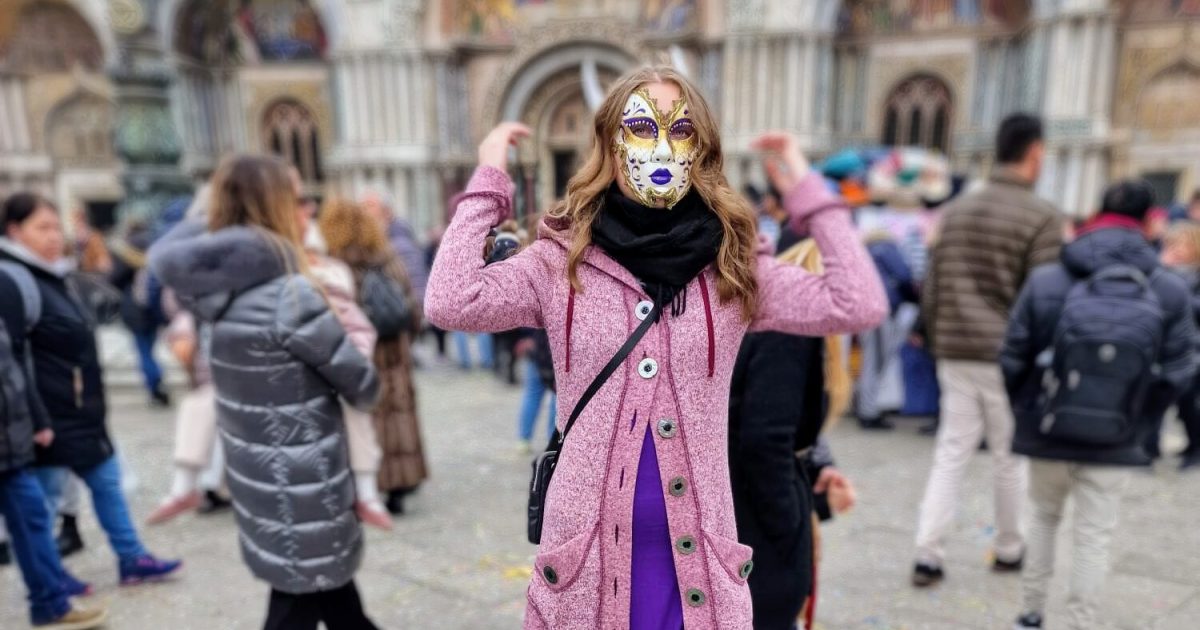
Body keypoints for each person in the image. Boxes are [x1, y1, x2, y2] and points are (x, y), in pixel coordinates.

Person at [424, 65, 886, 629]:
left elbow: (856, 302)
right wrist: (489, 180)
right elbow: (450, 299)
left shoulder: (733, 266)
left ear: (703, 149)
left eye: (682, 130)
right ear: (609, 146)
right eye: (641, 127)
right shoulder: (559, 260)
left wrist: (809, 193)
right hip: (583, 574)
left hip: (698, 573)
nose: (662, 145)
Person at [150, 154, 382, 630]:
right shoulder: (289, 295)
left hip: (261, 475)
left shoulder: (214, 292)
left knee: (329, 593)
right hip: (306, 481)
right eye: (293, 197)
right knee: (301, 600)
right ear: (276, 206)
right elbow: (360, 383)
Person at [1002, 180, 1196, 630]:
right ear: (1150, 222)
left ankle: (1030, 615)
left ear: (1095, 213)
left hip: (1048, 426)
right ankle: (1079, 624)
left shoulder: (1048, 277)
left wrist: (1027, 407)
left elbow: (1012, 353)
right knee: (1094, 535)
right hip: (1119, 433)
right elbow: (1183, 366)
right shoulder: (1168, 289)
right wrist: (1144, 416)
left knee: (1045, 518)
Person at [0, 193, 183, 588]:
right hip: (48, 416)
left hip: (81, 410)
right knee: (43, 505)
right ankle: (51, 580)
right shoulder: (13, 279)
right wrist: (34, 418)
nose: (53, 237)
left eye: (55, 227)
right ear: (15, 231)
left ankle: (132, 558)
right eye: (41, 228)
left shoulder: (54, 274)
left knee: (107, 484)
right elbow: (10, 356)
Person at [912, 113, 1063, 587]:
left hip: (956, 349)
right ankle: (1010, 549)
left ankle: (928, 552)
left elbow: (932, 287)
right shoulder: (1042, 216)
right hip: (1006, 354)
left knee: (952, 450)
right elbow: (1045, 297)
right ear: (1034, 152)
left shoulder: (956, 211)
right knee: (1007, 455)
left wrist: (938, 340)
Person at [728, 240, 858, 630]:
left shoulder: (765, 312)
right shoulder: (792, 324)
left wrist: (815, 478)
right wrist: (789, 525)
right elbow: (765, 437)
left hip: (742, 509)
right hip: (756, 526)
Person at [0, 289, 107, 627]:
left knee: (32, 517)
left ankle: (51, 603)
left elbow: (13, 365)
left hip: (10, 445)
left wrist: (37, 417)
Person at [321, 199, 429, 517]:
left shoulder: (333, 264)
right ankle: (399, 485)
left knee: (362, 419)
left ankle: (365, 485)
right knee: (398, 415)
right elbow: (410, 303)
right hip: (393, 351)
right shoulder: (386, 256)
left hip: (358, 352)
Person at [1153, 222, 1200, 469]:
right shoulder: (1159, 271)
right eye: (1171, 244)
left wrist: (1176, 289)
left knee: (1189, 402)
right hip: (1163, 345)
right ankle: (1150, 448)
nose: (1177, 249)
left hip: (1193, 348)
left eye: (1182, 244)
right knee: (1157, 399)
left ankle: (1196, 445)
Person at [109, 221, 170, 407]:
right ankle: (157, 377)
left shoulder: (125, 251)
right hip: (155, 307)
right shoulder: (158, 246)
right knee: (151, 347)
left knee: (143, 350)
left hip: (134, 308)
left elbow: (114, 279)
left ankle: (154, 383)